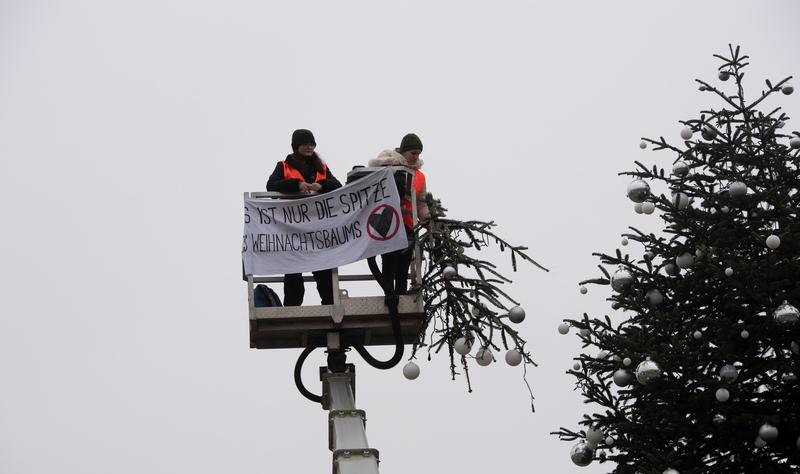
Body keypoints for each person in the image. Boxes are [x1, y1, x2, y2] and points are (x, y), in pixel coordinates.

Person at [267, 129, 342, 306]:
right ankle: (292, 311)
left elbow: (337, 185)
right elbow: (271, 185)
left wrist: (321, 185)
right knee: (293, 273)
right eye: (305, 144)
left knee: (324, 273)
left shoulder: (321, 167)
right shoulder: (283, 166)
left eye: (312, 144)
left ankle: (330, 308)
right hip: (293, 229)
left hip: (318, 228)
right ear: (296, 146)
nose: (309, 147)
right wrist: (297, 185)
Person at [367, 133, 430, 294]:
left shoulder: (420, 176)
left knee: (403, 267)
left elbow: (421, 204)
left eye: (418, 154)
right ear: (403, 152)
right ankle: (389, 298)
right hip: (387, 223)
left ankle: (400, 298)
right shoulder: (386, 167)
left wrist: (429, 222)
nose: (416, 157)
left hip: (409, 227)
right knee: (388, 263)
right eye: (413, 153)